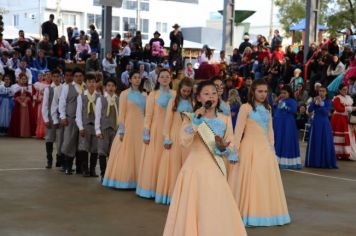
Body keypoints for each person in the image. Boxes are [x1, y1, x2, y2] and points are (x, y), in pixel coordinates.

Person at [163, 80, 247, 236]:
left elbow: (231, 146)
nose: (211, 97)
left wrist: (223, 148)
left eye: (214, 93)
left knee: (214, 206)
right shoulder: (191, 117)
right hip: (195, 170)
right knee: (195, 207)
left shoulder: (225, 119)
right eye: (206, 94)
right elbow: (184, 141)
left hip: (216, 169)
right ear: (199, 98)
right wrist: (195, 122)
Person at [228, 78, 291, 226]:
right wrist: (234, 151)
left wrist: (272, 149)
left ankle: (266, 214)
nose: (263, 94)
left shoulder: (268, 108)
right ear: (253, 91)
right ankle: (248, 213)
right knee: (251, 182)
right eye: (260, 91)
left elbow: (270, 131)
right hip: (249, 149)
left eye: (265, 91)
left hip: (265, 150)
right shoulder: (245, 108)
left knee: (265, 182)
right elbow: (238, 132)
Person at [102, 71, 146, 189]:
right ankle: (124, 180)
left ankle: (138, 181)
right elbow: (121, 114)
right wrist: (121, 130)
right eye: (135, 77)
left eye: (139, 77)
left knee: (140, 153)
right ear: (130, 80)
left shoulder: (145, 95)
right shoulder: (124, 94)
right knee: (126, 152)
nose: (137, 79)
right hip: (129, 126)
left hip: (141, 126)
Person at [136, 69, 175, 198]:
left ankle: (165, 188)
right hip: (156, 129)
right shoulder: (153, 95)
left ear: (171, 79)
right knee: (155, 159)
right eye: (162, 77)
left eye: (167, 76)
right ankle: (152, 188)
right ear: (158, 79)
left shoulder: (175, 94)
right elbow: (148, 115)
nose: (164, 79)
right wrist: (146, 132)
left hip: (171, 130)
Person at [155, 79, 194, 204]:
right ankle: (172, 195)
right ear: (179, 89)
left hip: (188, 137)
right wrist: (166, 137)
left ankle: (185, 195)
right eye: (184, 90)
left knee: (187, 165)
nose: (186, 93)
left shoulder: (193, 102)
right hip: (175, 135)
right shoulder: (173, 101)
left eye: (188, 91)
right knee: (173, 166)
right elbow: (167, 122)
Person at [59, 68, 86, 175]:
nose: (79, 78)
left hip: (83, 121)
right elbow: (62, 102)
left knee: (82, 144)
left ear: (83, 77)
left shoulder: (86, 88)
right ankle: (67, 166)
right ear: (74, 77)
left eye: (81, 76)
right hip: (70, 119)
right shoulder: (67, 87)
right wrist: (62, 116)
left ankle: (80, 168)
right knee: (69, 142)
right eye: (76, 76)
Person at [75, 73, 100, 177]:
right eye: (89, 82)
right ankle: (85, 169)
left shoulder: (99, 97)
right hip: (85, 125)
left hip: (96, 127)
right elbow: (78, 114)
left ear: (96, 83)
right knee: (84, 148)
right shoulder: (81, 97)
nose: (91, 84)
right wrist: (80, 127)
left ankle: (92, 169)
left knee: (95, 148)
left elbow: (101, 115)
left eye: (93, 82)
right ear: (86, 83)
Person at [305, 86, 337, 168]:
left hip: (324, 123)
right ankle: (314, 162)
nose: (321, 92)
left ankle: (324, 162)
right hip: (316, 123)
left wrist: (321, 104)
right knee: (316, 141)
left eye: (323, 91)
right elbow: (309, 110)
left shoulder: (328, 101)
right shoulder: (315, 99)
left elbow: (326, 113)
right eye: (320, 91)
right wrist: (314, 103)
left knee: (324, 141)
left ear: (326, 92)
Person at [95, 79, 119, 181]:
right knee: (102, 152)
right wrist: (97, 130)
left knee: (112, 153)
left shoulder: (118, 99)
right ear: (105, 87)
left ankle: (111, 174)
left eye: (113, 86)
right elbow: (98, 116)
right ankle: (103, 173)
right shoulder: (101, 99)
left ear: (116, 88)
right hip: (103, 129)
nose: (111, 88)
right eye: (108, 86)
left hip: (115, 129)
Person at [273, 85, 301, 169]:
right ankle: (276, 160)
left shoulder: (292, 101)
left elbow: (294, 110)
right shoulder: (280, 100)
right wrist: (276, 102)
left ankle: (286, 161)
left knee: (286, 139)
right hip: (278, 123)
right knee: (278, 139)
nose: (283, 94)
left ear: (289, 93)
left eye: (285, 93)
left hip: (288, 124)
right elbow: (275, 109)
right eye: (281, 93)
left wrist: (285, 107)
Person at [41, 69, 61, 168]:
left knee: (60, 139)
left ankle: (59, 159)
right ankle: (49, 159)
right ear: (52, 77)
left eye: (58, 76)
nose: (56, 78)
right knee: (49, 139)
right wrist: (46, 119)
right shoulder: (48, 89)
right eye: (55, 76)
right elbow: (44, 105)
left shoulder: (64, 88)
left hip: (61, 118)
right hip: (50, 117)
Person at [331, 84, 356, 160]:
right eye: (343, 89)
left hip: (347, 119)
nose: (345, 91)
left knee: (348, 136)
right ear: (339, 90)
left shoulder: (349, 98)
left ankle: (346, 153)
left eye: (346, 89)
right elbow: (338, 109)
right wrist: (350, 108)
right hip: (338, 119)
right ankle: (338, 153)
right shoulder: (337, 98)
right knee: (339, 136)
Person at [8, 74, 36, 138]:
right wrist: (21, 103)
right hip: (18, 105)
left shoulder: (29, 87)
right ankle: (19, 133)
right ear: (19, 79)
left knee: (27, 119)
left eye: (25, 79)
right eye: (22, 79)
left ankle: (26, 133)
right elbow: (15, 96)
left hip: (27, 105)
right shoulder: (16, 86)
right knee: (18, 118)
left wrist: (25, 102)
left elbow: (30, 96)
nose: (23, 80)